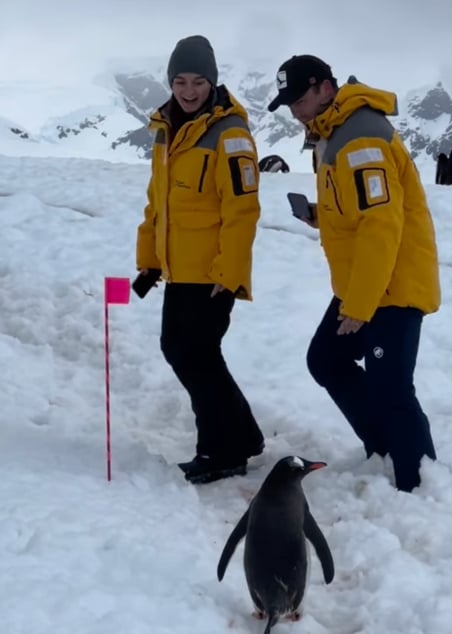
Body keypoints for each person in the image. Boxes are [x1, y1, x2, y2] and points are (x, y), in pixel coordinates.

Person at [266, 54, 441, 492]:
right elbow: (358, 209)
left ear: (325, 88)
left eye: (300, 99)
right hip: (364, 282)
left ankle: (417, 482)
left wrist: (360, 306)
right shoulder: (332, 134)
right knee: (327, 359)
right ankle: (384, 449)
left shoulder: (361, 139)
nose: (295, 111)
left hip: (392, 285)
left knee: (392, 388)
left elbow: (382, 227)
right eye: (289, 103)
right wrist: (321, 216)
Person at [135, 35, 265, 485]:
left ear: (213, 82)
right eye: (180, 81)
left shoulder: (230, 134)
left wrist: (229, 274)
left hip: (211, 273)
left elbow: (242, 210)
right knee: (189, 352)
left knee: (194, 354)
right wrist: (150, 261)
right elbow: (159, 204)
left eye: (198, 82)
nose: (188, 91)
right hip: (179, 269)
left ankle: (222, 451)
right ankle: (242, 437)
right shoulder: (166, 129)